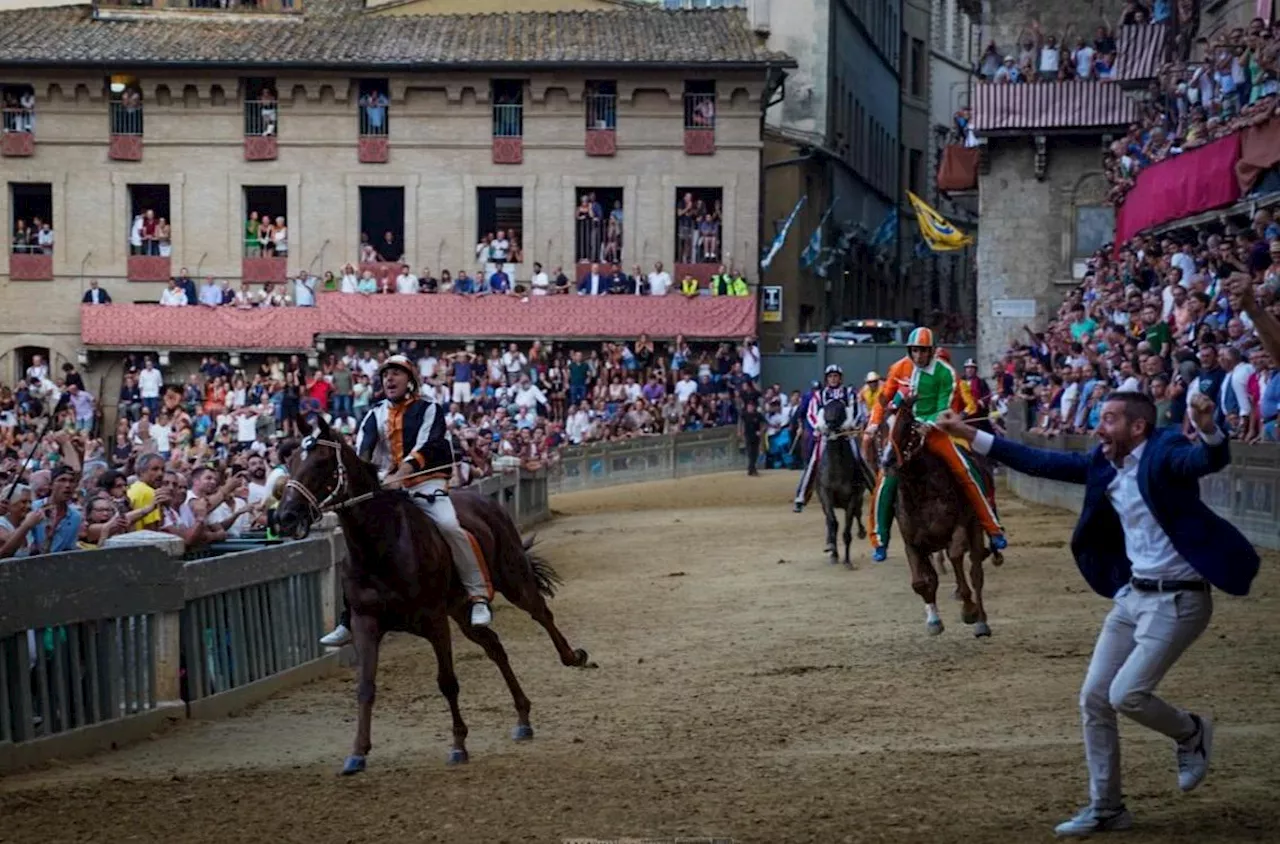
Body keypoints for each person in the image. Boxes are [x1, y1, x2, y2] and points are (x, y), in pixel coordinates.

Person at [935, 392, 1258, 837]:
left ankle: (1190, 732)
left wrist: (1207, 426)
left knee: (1127, 695)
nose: (1097, 428)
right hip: (1133, 596)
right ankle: (1106, 808)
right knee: (1093, 698)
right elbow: (1038, 462)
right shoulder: (1104, 463)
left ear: (1138, 427)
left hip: (1179, 601)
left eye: (1108, 420)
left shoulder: (1165, 453)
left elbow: (1207, 460)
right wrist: (967, 433)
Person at [318, 355, 493, 647]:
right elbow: (364, 453)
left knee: (449, 525)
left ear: (410, 379)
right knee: (359, 539)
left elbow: (428, 444)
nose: (389, 379)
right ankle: (349, 617)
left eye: (396, 374)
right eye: (386, 374)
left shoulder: (429, 409)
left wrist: (402, 473)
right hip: (388, 485)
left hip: (426, 481)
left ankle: (477, 596)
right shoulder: (374, 413)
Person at [862, 327, 1006, 562]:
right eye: (915, 350)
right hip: (904, 431)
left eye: (924, 351)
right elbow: (885, 399)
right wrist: (874, 423)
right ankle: (879, 539)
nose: (919, 356)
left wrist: (930, 424)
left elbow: (943, 406)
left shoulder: (946, 373)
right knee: (886, 477)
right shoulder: (898, 368)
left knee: (966, 470)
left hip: (936, 431)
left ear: (932, 352)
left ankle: (992, 527)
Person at [793, 364, 859, 512]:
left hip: (845, 434)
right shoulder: (819, 394)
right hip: (826, 435)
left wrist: (848, 425)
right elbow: (812, 413)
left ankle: (871, 488)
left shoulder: (849, 393)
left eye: (836, 376)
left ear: (840, 378)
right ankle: (801, 497)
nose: (833, 379)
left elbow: (856, 411)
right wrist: (820, 426)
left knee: (858, 457)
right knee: (814, 462)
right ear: (827, 379)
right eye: (830, 376)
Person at [740, 397, 764, 476]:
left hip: (756, 435)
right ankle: (752, 469)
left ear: (754, 407)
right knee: (750, 452)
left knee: (755, 452)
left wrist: (761, 431)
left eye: (751, 406)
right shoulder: (744, 414)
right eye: (748, 406)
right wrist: (741, 432)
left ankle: (751, 468)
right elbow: (741, 423)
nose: (749, 408)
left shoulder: (758, 415)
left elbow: (764, 423)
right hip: (748, 435)